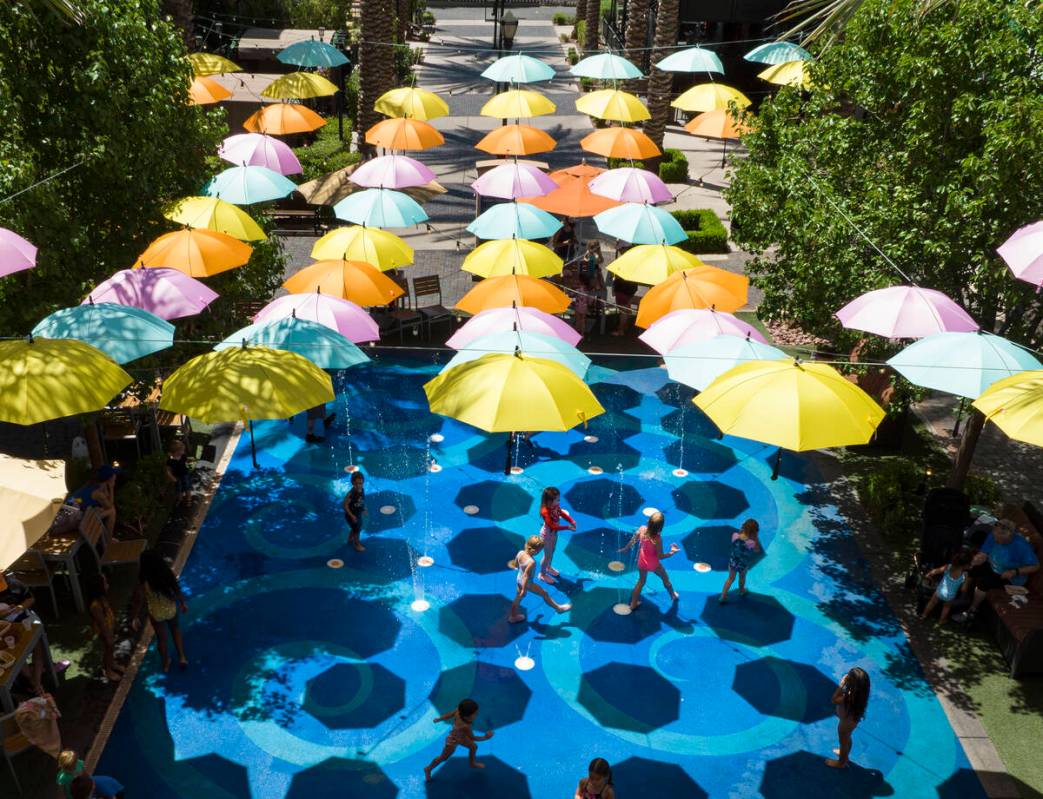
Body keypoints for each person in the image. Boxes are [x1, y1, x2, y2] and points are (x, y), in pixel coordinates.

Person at [954, 518, 1040, 623]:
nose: (995, 540)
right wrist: (978, 558)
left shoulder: (1021, 545)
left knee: (984, 582)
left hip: (1011, 577)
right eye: (994, 536)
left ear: (1009, 536)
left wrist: (1014, 572)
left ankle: (971, 611)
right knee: (971, 568)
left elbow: (1036, 566)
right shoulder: (993, 535)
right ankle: (963, 596)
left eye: (999, 539)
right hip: (993, 566)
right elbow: (984, 553)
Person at [131, 549, 188, 672]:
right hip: (171, 610)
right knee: (175, 631)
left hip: (156, 613)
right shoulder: (167, 574)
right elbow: (177, 590)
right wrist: (183, 603)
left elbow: (138, 600)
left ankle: (166, 663)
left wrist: (135, 616)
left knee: (162, 640)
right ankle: (182, 657)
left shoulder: (144, 581)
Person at [620, 512, 680, 610]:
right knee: (665, 578)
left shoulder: (642, 529)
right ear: (660, 528)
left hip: (642, 562)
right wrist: (672, 552)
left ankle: (633, 604)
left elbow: (633, 540)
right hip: (654, 564)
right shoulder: (657, 539)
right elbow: (660, 556)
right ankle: (673, 595)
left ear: (648, 521)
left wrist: (626, 548)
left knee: (641, 582)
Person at [424, 698, 494, 780]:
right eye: (475, 714)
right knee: (443, 757)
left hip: (461, 737)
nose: (476, 715)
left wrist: (440, 718)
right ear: (466, 716)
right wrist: (485, 737)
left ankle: (472, 764)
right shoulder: (465, 726)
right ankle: (428, 768)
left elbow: (449, 715)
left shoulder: (458, 711)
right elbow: (473, 738)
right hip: (453, 740)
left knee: (473, 747)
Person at [0, 572, 46, 694]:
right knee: (17, 654)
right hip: (6, 628)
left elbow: (30, 598)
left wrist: (21, 607)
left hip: (24, 619)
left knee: (37, 646)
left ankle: (36, 682)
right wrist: (2, 615)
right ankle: (35, 683)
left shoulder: (15, 585)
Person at [509, 536, 572, 623]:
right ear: (535, 551)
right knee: (544, 593)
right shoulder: (531, 562)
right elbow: (526, 576)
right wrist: (524, 589)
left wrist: (516, 567)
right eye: (540, 550)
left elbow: (516, 564)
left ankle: (513, 617)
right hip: (527, 583)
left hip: (518, 579)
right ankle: (559, 608)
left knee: (518, 598)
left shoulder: (520, 553)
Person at [826, 667, 871, 768]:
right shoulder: (860, 695)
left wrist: (841, 685)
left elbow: (834, 699)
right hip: (851, 721)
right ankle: (844, 753)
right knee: (846, 739)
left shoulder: (848, 697)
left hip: (845, 723)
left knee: (843, 742)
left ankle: (841, 763)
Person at [86, 574, 123, 683]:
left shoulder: (101, 598)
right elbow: (102, 624)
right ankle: (108, 670)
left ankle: (112, 663)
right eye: (105, 583)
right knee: (109, 648)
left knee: (111, 647)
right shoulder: (95, 606)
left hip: (109, 627)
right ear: (99, 588)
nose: (108, 585)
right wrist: (108, 636)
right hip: (104, 631)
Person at [920, 549, 973, 624]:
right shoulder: (965, 575)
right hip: (950, 596)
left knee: (932, 602)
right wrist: (966, 584)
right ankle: (941, 620)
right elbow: (963, 590)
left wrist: (929, 574)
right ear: (966, 565)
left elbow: (936, 571)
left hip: (939, 591)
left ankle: (924, 615)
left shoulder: (948, 567)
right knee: (946, 607)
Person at [538, 486, 576, 584]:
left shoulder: (555, 506)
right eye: (557, 500)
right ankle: (542, 574)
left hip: (554, 534)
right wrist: (568, 527)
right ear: (549, 501)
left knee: (552, 551)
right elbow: (552, 526)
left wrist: (571, 520)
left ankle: (548, 567)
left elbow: (561, 513)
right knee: (547, 556)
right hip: (546, 535)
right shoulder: (545, 511)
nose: (559, 502)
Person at [719, 519, 762, 603]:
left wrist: (741, 532)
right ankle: (741, 591)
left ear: (743, 527)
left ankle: (722, 596)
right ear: (754, 532)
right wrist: (756, 538)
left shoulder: (734, 535)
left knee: (730, 578)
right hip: (743, 564)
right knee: (742, 577)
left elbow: (739, 539)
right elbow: (757, 550)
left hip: (733, 561)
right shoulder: (751, 542)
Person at [66, 465, 119, 531]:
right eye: (114, 474)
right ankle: (108, 539)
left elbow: (106, 500)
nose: (116, 476)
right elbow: (109, 505)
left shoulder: (94, 485)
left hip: (72, 513)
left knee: (101, 509)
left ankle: (106, 538)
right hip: (72, 519)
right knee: (112, 511)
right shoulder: (97, 493)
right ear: (109, 478)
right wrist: (111, 487)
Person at [57, 751, 123, 799]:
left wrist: (89, 782)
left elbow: (85, 773)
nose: (74, 769)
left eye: (74, 765)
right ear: (63, 767)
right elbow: (61, 790)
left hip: (83, 789)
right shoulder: (62, 777)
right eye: (71, 768)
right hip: (73, 794)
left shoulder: (79, 764)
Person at [343, 471, 366, 552]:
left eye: (361, 483)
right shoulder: (351, 494)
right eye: (356, 484)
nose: (359, 486)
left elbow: (361, 500)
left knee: (356, 527)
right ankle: (357, 544)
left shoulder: (361, 490)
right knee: (357, 529)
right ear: (352, 483)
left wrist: (363, 509)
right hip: (351, 515)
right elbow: (345, 505)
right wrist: (351, 516)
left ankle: (350, 538)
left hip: (357, 513)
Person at [165, 439, 192, 505]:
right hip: (177, 477)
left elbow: (186, 460)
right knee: (179, 489)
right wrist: (171, 477)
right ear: (177, 451)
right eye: (182, 450)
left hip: (185, 475)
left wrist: (189, 461)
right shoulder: (170, 461)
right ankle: (180, 499)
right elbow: (168, 470)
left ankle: (189, 499)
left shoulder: (183, 456)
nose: (183, 451)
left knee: (187, 487)